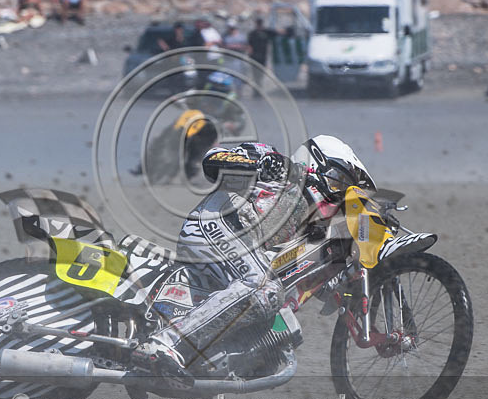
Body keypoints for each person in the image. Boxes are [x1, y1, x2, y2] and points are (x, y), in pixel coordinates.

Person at [131, 136, 385, 384]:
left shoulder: (312, 230)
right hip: (214, 225)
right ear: (316, 163)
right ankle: (164, 344)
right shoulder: (276, 163)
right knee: (263, 286)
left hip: (239, 252)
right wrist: (258, 164)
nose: (342, 195)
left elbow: (312, 283)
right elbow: (212, 159)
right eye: (341, 181)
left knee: (269, 300)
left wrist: (351, 283)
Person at [247, 17, 278, 87]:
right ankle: (256, 87)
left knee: (261, 73)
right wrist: (250, 54)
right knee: (255, 73)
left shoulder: (266, 32)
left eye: (260, 23)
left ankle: (259, 86)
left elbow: (276, 33)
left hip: (263, 56)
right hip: (254, 56)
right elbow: (249, 45)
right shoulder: (253, 33)